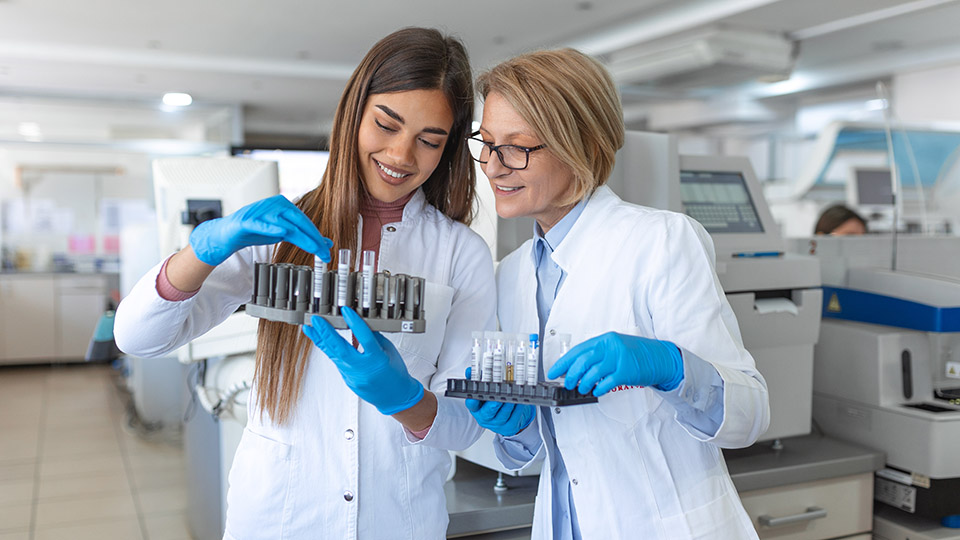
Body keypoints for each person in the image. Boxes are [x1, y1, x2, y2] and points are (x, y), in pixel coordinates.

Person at [114, 27, 495, 540]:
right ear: (354, 112)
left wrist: (406, 399)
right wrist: (203, 248)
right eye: (386, 125)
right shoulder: (278, 234)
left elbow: (469, 425)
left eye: (429, 141)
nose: (402, 155)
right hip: (280, 516)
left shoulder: (460, 253)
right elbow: (138, 337)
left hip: (398, 518)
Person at [464, 48, 770, 539]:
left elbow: (749, 417)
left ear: (581, 144)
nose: (494, 166)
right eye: (487, 143)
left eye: (517, 146)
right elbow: (542, 452)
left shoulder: (662, 242)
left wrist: (671, 365)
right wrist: (514, 426)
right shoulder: (511, 275)